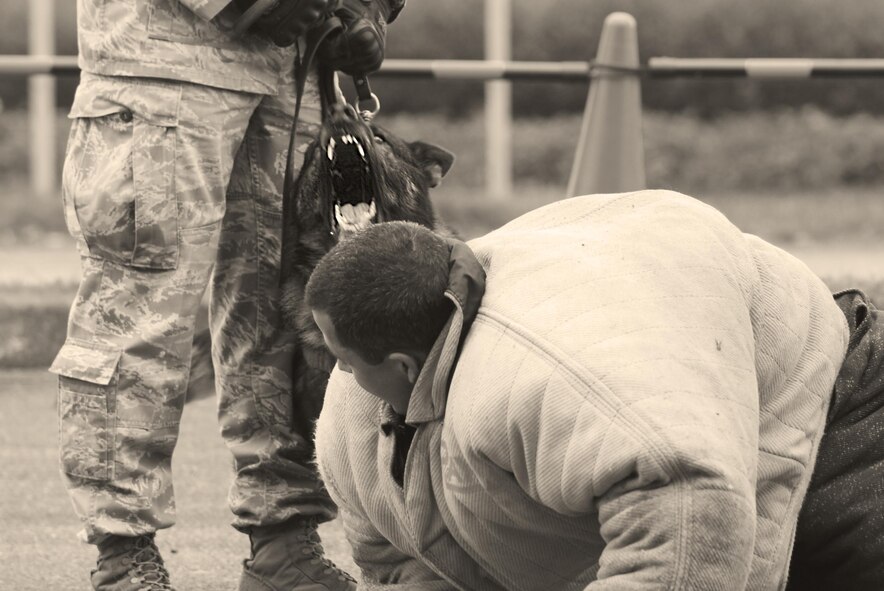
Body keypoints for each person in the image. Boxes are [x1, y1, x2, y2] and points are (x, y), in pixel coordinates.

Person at [305, 189, 883, 590]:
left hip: (828, 390)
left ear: (404, 367)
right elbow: (402, 568)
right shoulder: (352, 427)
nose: (341, 378)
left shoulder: (546, 380)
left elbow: (690, 526)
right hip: (663, 400)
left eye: (345, 361)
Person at [50, 1, 403, 589]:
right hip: (163, 66)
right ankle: (124, 554)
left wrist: (365, 7)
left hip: (294, 80)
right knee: (139, 314)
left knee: (289, 316)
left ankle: (283, 543)